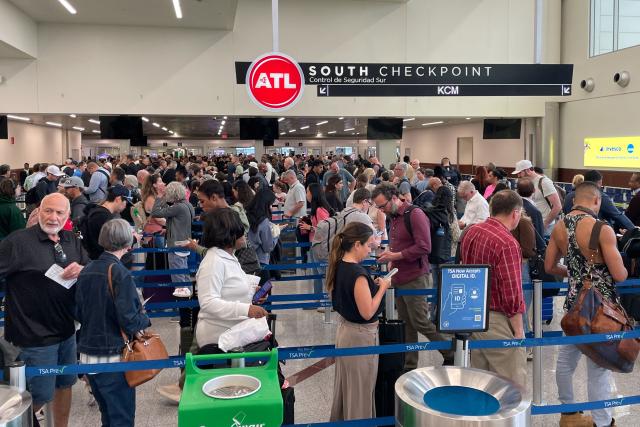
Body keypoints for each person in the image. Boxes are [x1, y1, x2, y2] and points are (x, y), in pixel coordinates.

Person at [0, 193, 88, 426]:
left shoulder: (71, 240)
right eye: (48, 211)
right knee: (36, 396)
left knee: (65, 384)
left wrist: (81, 268)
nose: (53, 217)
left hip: (67, 331)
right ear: (39, 211)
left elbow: (87, 266)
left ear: (67, 215)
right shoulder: (17, 242)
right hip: (34, 336)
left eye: (60, 212)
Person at [545, 182, 627, 427]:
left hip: (573, 305)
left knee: (565, 360)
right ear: (596, 201)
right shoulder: (602, 229)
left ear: (573, 201)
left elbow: (550, 267)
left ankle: (568, 413)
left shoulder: (559, 226)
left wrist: (574, 275)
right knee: (598, 366)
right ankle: (602, 422)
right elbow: (620, 274)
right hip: (601, 310)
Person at [75, 219, 151, 427]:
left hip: (88, 356)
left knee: (108, 415)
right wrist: (145, 317)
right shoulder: (120, 273)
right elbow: (130, 320)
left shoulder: (87, 270)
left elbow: (78, 312)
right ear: (128, 243)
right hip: (114, 355)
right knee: (122, 417)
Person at [372, 183, 453, 368]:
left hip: (416, 277)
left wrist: (396, 255)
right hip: (400, 276)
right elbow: (400, 244)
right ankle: (409, 363)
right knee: (406, 323)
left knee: (420, 321)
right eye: (378, 207)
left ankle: (450, 349)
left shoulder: (415, 215)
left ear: (394, 198)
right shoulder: (394, 217)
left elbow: (425, 247)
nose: (381, 210)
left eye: (382, 206)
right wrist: (391, 258)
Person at [460, 190, 526, 387]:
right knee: (512, 385)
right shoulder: (507, 243)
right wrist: (518, 331)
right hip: (497, 320)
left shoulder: (471, 231)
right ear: (515, 213)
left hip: (473, 315)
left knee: (481, 382)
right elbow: (512, 293)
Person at [327, 222, 391, 421]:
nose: (368, 251)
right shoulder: (357, 273)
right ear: (356, 244)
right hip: (360, 337)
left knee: (347, 389)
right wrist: (383, 288)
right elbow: (368, 311)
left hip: (345, 331)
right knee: (361, 392)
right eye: (367, 246)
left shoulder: (338, 266)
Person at [194, 208, 268, 349]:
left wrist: (251, 292)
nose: (244, 235)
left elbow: (229, 288)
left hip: (234, 333)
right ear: (228, 234)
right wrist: (246, 309)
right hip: (219, 339)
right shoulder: (213, 262)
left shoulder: (229, 257)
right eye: (240, 232)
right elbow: (208, 303)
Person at [151, 181, 195, 298]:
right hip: (185, 242)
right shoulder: (188, 205)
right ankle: (189, 300)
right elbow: (179, 222)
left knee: (178, 275)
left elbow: (155, 213)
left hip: (176, 245)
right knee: (184, 272)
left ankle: (183, 300)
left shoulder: (178, 207)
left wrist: (160, 197)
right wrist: (169, 229)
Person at [563, 170, 635, 232]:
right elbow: (617, 215)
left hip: (570, 235)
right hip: (595, 236)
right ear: (599, 182)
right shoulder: (599, 196)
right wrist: (634, 230)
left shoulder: (568, 196)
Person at [300, 183, 334, 296]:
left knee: (322, 274)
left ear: (313, 193)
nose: (306, 194)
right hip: (314, 244)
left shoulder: (320, 210)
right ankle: (318, 299)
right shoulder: (316, 209)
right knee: (316, 274)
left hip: (320, 246)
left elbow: (326, 228)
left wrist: (310, 227)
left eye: (307, 191)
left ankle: (326, 300)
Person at [513, 160, 562, 235]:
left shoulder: (544, 182)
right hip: (530, 225)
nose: (518, 176)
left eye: (520, 173)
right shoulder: (524, 182)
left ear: (528, 170)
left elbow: (557, 206)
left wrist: (545, 224)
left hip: (544, 226)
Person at [246, 189, 278, 283]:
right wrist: (276, 234)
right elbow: (268, 247)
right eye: (271, 205)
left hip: (245, 262)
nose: (271, 208)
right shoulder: (264, 222)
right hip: (261, 263)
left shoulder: (246, 215)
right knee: (263, 295)